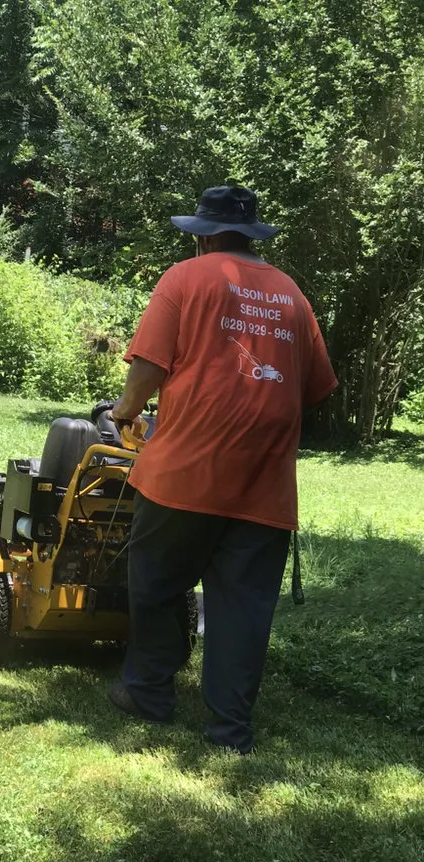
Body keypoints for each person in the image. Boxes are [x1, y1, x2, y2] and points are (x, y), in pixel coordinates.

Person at [108, 185, 337, 753]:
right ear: (252, 235)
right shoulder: (292, 295)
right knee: (243, 608)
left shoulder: (184, 279)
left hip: (184, 473)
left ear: (203, 237)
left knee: (156, 581)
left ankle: (148, 692)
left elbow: (147, 369)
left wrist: (123, 412)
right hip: (265, 483)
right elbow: (314, 387)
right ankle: (230, 730)